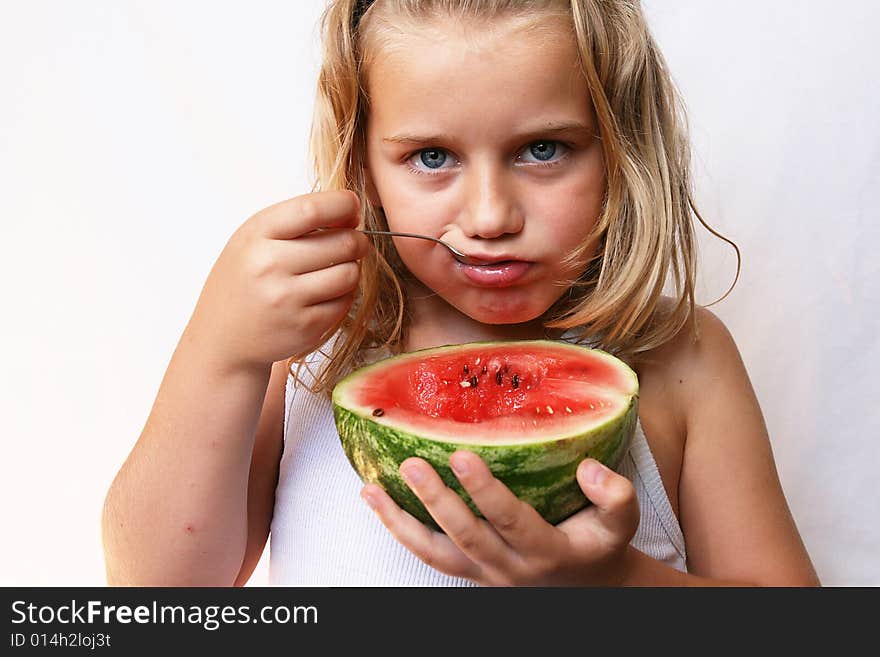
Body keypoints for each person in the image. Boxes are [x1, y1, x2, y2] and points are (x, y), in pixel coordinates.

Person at [101, 0, 819, 586]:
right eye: (432, 157)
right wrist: (219, 351)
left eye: (544, 149)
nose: (489, 217)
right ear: (363, 160)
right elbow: (155, 593)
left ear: (620, 144)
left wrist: (615, 584)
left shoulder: (681, 359)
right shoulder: (311, 356)